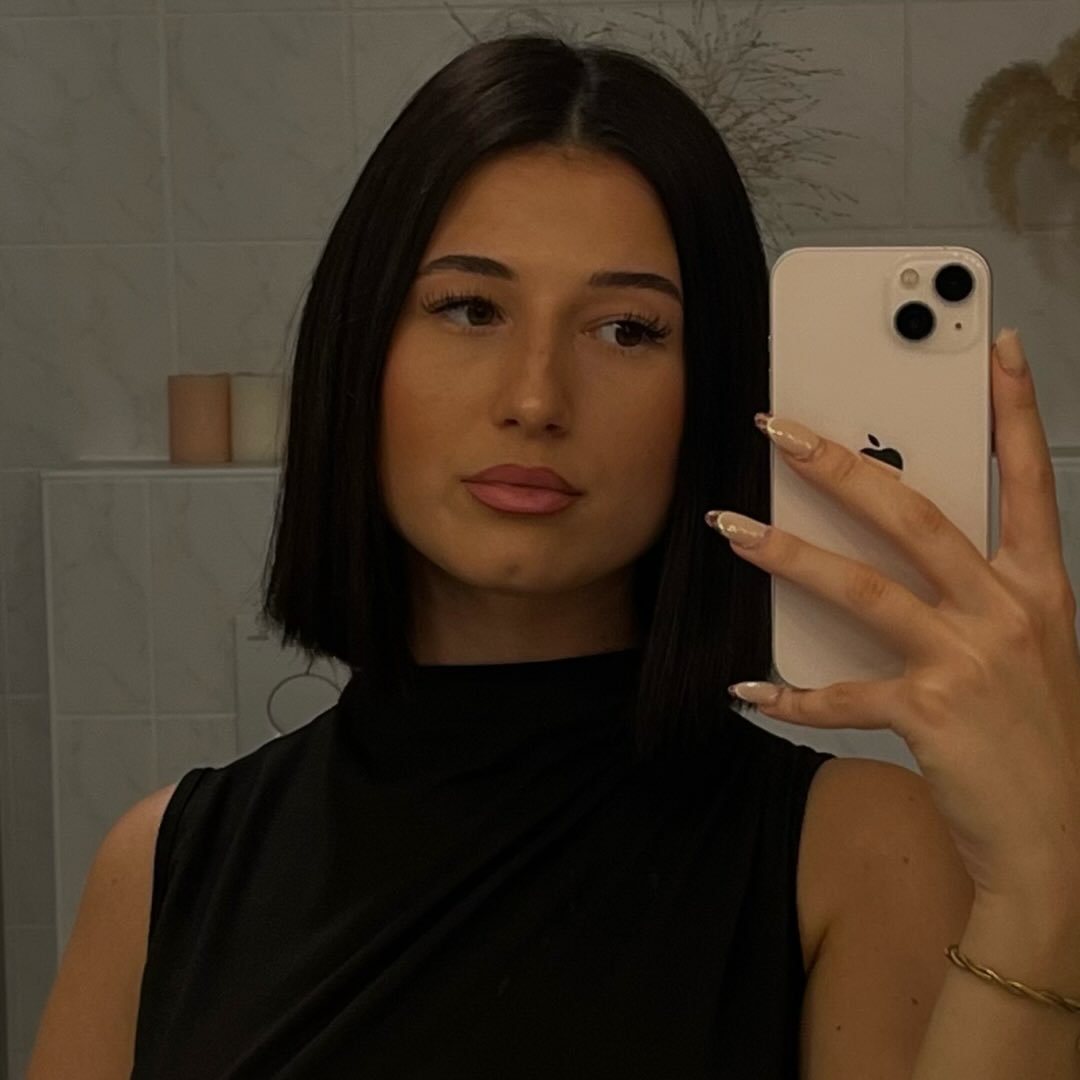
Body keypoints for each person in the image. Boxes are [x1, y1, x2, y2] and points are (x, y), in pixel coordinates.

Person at [28, 32, 1080, 1080]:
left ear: (710, 393)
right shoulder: (159, 868)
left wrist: (1044, 886)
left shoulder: (857, 851)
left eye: (627, 331)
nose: (535, 398)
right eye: (470, 309)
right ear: (360, 351)